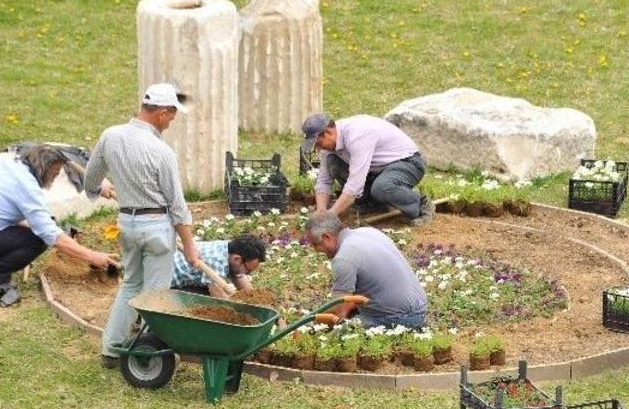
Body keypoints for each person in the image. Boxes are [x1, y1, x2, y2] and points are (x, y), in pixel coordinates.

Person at [83, 82, 201, 368]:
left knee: (131, 285)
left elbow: (90, 180)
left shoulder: (110, 136)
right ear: (161, 113)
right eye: (172, 116)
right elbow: (177, 206)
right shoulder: (161, 152)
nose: (171, 122)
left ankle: (111, 350)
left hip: (127, 223)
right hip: (156, 227)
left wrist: (100, 188)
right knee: (156, 294)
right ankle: (149, 354)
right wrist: (189, 245)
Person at [0, 145, 118, 308]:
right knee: (38, 239)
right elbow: (50, 236)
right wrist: (92, 256)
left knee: (36, 227)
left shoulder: (7, 164)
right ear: (45, 168)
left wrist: (95, 181)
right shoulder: (27, 188)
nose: (55, 177)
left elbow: (60, 152)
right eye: (55, 173)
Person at [300, 112, 434, 226]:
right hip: (377, 169)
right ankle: (374, 203)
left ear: (327, 132)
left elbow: (354, 186)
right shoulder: (330, 142)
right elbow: (324, 181)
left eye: (318, 143)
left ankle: (422, 205)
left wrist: (331, 215)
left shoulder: (357, 135)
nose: (318, 149)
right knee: (333, 163)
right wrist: (321, 211)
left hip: (408, 162)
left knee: (382, 187)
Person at [304, 211, 427, 328]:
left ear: (327, 237)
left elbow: (338, 313)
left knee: (339, 336)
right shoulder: (368, 232)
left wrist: (310, 327)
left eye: (316, 244)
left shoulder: (344, 258)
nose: (316, 251)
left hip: (399, 318)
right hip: (419, 307)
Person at [169, 234, 267, 298]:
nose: (248, 274)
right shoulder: (217, 261)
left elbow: (239, 276)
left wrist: (254, 299)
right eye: (248, 270)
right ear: (237, 259)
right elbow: (219, 296)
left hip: (183, 279)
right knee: (207, 300)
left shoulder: (232, 250)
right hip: (167, 284)